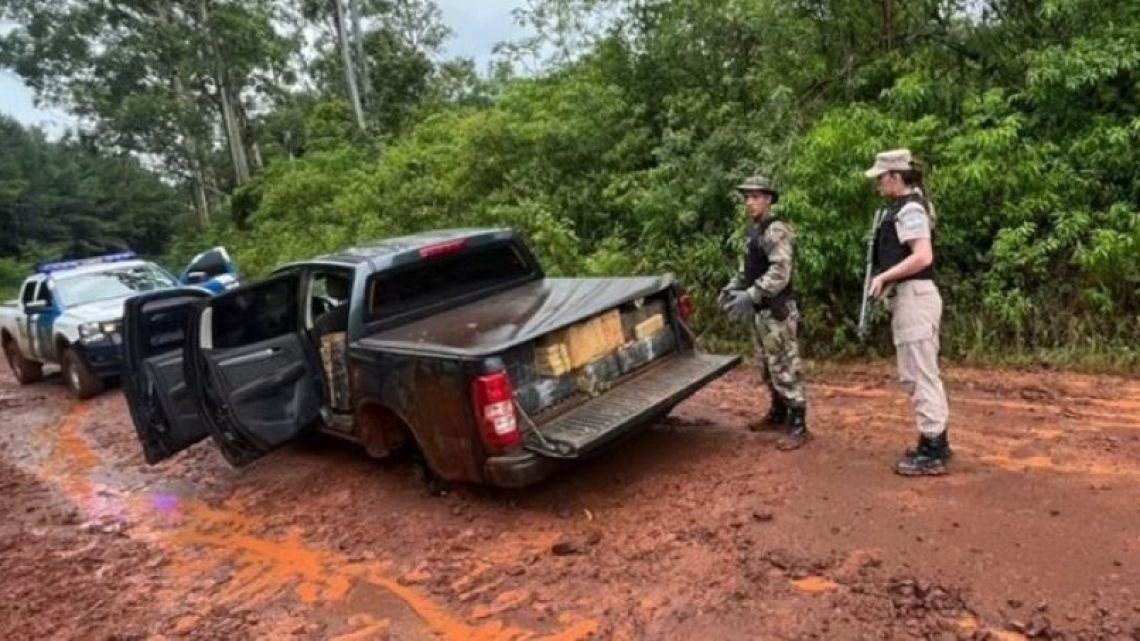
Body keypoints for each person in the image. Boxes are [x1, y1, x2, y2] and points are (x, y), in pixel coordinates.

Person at [863, 149, 951, 476]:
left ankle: (934, 450)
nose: (878, 185)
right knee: (917, 372)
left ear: (896, 177)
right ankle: (933, 440)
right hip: (910, 297)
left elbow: (922, 256)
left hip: (915, 296)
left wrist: (884, 277)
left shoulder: (910, 208)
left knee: (920, 373)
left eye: (881, 178)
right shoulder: (908, 206)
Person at [720, 175, 810, 450]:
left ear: (769, 199)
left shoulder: (776, 230)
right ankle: (778, 412)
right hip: (760, 312)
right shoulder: (754, 231)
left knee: (785, 365)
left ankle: (798, 423)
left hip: (776, 310)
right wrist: (732, 288)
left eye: (756, 197)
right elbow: (746, 270)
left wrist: (752, 293)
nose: (750, 202)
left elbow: (780, 272)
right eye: (747, 197)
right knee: (767, 366)